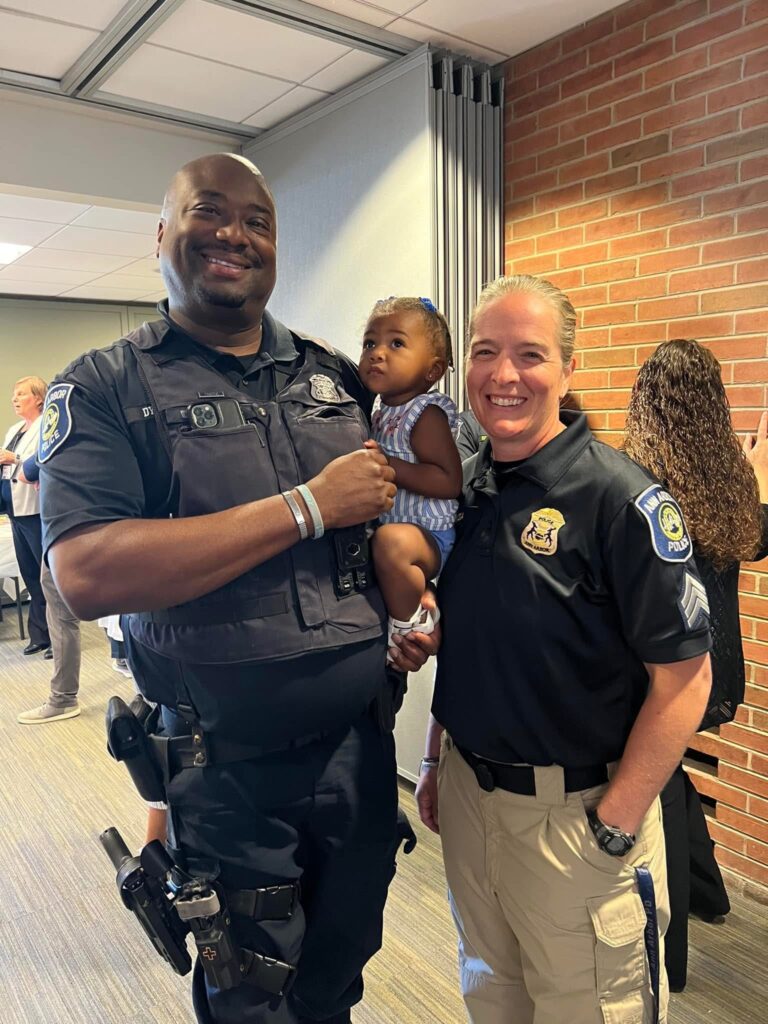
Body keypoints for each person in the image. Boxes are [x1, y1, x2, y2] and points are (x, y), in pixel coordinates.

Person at [39, 153, 435, 1024]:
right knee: (254, 989)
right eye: (208, 212)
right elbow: (88, 571)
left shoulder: (330, 375)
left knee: (340, 970)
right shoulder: (107, 386)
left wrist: (398, 606)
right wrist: (303, 508)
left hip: (357, 755)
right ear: (162, 236)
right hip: (225, 774)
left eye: (257, 221)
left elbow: (363, 531)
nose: (234, 234)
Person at [415, 274, 713, 1024]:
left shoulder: (620, 500)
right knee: (495, 999)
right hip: (471, 806)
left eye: (530, 354)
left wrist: (615, 821)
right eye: (486, 351)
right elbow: (469, 648)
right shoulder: (467, 489)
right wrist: (432, 759)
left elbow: (687, 678)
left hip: (577, 820)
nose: (504, 375)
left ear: (568, 370)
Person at [623, 339, 768, 992]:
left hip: (661, 676)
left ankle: (670, 953)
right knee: (669, 776)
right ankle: (709, 892)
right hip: (719, 673)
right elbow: (757, 539)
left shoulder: (634, 485)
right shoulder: (730, 481)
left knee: (654, 785)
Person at [358, 296, 461, 653]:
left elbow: (449, 481)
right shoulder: (379, 410)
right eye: (370, 342)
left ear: (433, 371)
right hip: (398, 529)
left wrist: (388, 466)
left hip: (429, 535)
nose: (377, 352)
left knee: (390, 543)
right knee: (380, 543)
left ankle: (408, 626)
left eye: (396, 343)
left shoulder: (424, 414)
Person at [15, 453, 82, 723]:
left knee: (62, 616)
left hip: (67, 531)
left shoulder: (61, 420)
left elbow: (24, 472)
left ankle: (63, 698)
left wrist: (42, 474)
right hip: (91, 525)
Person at [0, 376, 50, 655]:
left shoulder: (46, 425)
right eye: (13, 394)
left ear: (39, 398)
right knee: (30, 575)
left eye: (21, 394)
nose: (14, 399)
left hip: (36, 509)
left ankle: (56, 636)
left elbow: (45, 461)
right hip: (15, 511)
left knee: (46, 577)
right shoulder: (15, 429)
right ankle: (40, 635)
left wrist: (13, 459)